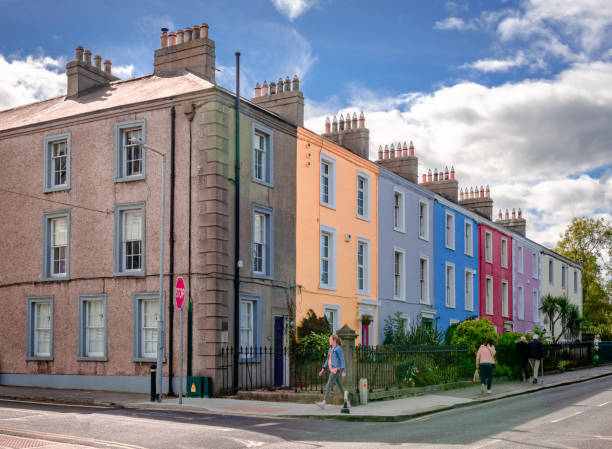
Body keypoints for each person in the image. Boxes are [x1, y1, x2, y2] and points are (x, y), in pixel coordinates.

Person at [315, 334, 346, 409]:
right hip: (333, 369)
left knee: (328, 385)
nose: (329, 341)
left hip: (336, 370)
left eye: (330, 340)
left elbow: (342, 360)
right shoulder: (330, 349)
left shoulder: (338, 349)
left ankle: (323, 403)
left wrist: (343, 370)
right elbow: (327, 360)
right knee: (340, 386)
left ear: (334, 340)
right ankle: (347, 401)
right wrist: (322, 369)